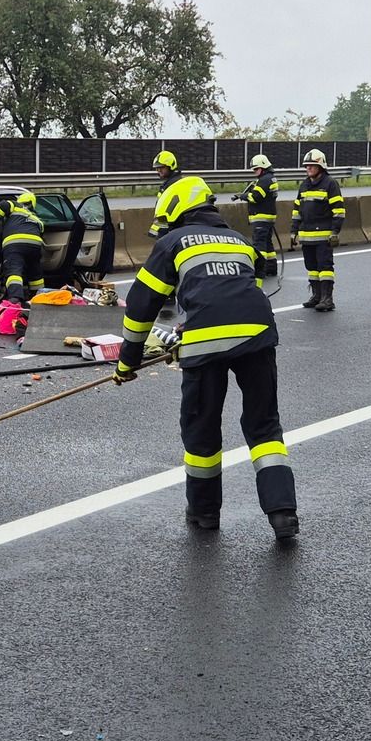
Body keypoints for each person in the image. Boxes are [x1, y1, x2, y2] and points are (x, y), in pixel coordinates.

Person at [116, 175, 298, 543]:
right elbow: (246, 291)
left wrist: (128, 360)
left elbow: (141, 304)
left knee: (201, 428)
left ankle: (204, 513)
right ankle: (283, 514)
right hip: (257, 337)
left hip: (205, 347)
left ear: (177, 212)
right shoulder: (242, 241)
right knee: (264, 428)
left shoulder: (173, 242)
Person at [291, 148, 347, 311]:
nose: (308, 168)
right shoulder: (304, 185)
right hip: (306, 236)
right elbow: (296, 210)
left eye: (311, 166)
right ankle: (316, 296)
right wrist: (293, 231)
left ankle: (327, 299)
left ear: (321, 166)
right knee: (312, 268)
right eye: (306, 166)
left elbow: (339, 210)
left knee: (325, 268)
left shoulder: (330, 184)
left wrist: (335, 232)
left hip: (324, 236)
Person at [0, 189, 45, 303]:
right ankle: (38, 298)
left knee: (14, 271)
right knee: (35, 272)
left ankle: (15, 298)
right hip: (35, 245)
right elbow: (41, 231)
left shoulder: (14, 206)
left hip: (15, 244)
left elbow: (3, 205)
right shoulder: (37, 219)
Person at [242, 155, 279, 278]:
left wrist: (243, 196)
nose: (254, 172)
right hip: (268, 217)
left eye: (256, 169)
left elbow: (255, 197)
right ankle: (271, 268)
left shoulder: (264, 180)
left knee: (259, 245)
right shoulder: (271, 178)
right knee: (268, 243)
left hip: (261, 218)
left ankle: (260, 270)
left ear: (263, 167)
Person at [146, 150, 184, 238]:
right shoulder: (168, 184)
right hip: (170, 228)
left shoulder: (174, 185)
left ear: (170, 166)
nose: (158, 170)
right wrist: (154, 231)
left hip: (172, 229)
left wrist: (159, 233)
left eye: (161, 167)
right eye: (157, 168)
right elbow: (161, 211)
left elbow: (167, 212)